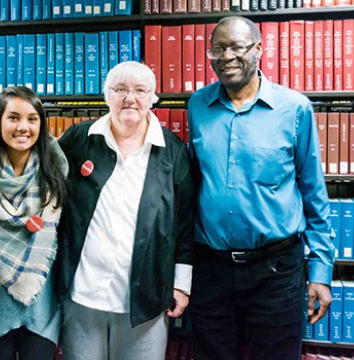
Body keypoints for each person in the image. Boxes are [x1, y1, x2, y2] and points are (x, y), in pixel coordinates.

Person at [187, 16, 334, 360]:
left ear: (259, 49)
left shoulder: (294, 108)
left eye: (236, 47)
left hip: (276, 272)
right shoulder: (197, 105)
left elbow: (313, 191)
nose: (226, 57)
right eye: (217, 49)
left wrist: (322, 271)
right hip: (211, 270)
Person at [56, 61, 196, 360]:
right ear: (106, 95)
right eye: (120, 89)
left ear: (152, 97)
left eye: (140, 90)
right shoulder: (78, 140)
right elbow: (37, 174)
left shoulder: (172, 151)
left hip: (146, 298)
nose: (130, 98)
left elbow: (185, 222)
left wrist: (181, 286)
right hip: (82, 295)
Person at [0, 86, 68, 360]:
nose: (22, 127)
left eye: (32, 118)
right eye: (13, 117)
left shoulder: (58, 170)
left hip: (43, 306)